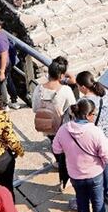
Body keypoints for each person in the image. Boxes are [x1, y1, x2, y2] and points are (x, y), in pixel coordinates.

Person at [52, 99, 108, 212]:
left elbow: (56, 149)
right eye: (94, 114)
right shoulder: (95, 131)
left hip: (75, 174)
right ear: (87, 115)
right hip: (95, 174)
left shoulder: (64, 129)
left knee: (82, 201)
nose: (94, 117)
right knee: (98, 201)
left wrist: (69, 150)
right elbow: (106, 154)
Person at [32, 56, 78, 190]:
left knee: (54, 144)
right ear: (62, 75)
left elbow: (34, 108)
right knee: (65, 153)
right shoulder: (65, 90)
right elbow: (73, 109)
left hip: (46, 125)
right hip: (60, 127)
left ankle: (57, 161)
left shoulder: (38, 88)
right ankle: (65, 179)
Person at [76, 71, 108, 203]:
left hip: (92, 138)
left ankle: (94, 193)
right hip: (107, 136)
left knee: (93, 166)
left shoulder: (83, 102)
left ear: (83, 87)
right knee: (107, 164)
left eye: (78, 86)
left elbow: (78, 121)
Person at [0, 18, 24, 108]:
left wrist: (1, 71)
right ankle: (14, 101)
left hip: (1, 66)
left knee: (0, 85)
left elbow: (4, 56)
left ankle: (4, 104)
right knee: (8, 82)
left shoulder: (0, 40)